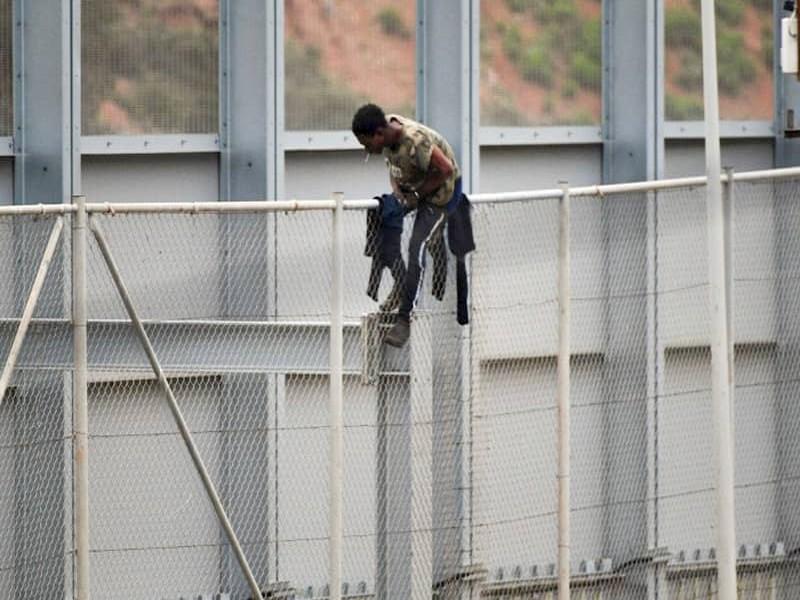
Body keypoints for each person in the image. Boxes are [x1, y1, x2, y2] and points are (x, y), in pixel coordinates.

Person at [352, 103, 462, 347]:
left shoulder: (413, 140)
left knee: (416, 248)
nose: (367, 151)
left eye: (367, 144)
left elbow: (446, 169)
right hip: (416, 189)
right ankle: (400, 284)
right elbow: (394, 168)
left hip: (441, 193)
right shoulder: (388, 138)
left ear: (379, 134)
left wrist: (418, 195)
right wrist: (398, 192)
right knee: (385, 217)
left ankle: (405, 318)